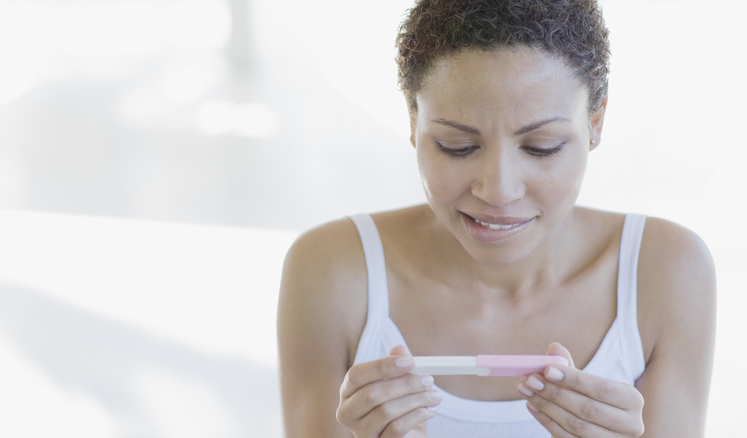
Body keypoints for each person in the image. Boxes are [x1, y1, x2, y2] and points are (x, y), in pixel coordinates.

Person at [276, 0, 716, 436]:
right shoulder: (331, 270)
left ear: (595, 122)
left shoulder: (667, 272)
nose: (498, 190)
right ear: (414, 121)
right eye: (457, 145)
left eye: (541, 146)